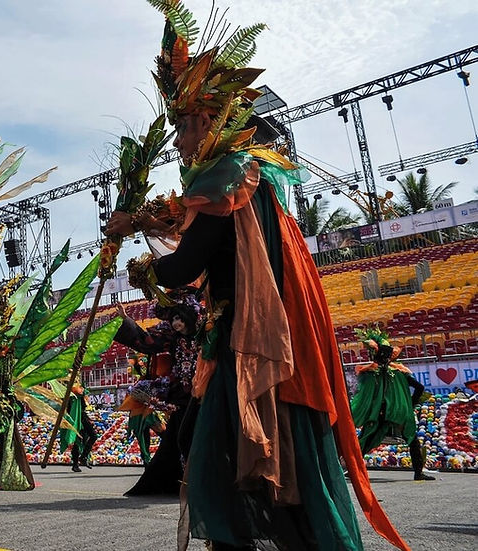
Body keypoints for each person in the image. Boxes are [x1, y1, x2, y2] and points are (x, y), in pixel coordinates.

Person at [104, 2, 408, 549]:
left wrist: (143, 268)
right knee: (228, 454)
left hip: (245, 345)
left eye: (181, 127)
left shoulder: (226, 174)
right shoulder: (245, 174)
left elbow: (187, 263)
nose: (177, 141)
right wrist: (141, 222)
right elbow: (199, 230)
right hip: (240, 340)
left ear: (207, 120)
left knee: (219, 455)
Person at [113, 289, 200, 496]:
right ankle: (187, 479)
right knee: (181, 437)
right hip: (181, 394)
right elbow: (147, 342)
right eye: (174, 319)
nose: (176, 323)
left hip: (205, 392)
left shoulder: (206, 332)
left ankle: (203, 479)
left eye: (180, 319)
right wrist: (126, 320)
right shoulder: (172, 338)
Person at [349, 326, 434, 481]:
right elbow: (420, 388)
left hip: (380, 413)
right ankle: (418, 472)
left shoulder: (370, 373)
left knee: (366, 438)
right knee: (412, 440)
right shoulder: (398, 371)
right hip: (399, 414)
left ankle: (353, 469)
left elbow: (363, 395)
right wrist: (410, 404)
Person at [59, 382, 97, 473]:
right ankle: (80, 460)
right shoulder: (72, 394)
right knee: (82, 439)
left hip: (80, 417)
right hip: (76, 418)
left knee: (82, 439)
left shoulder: (75, 394)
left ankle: (81, 459)